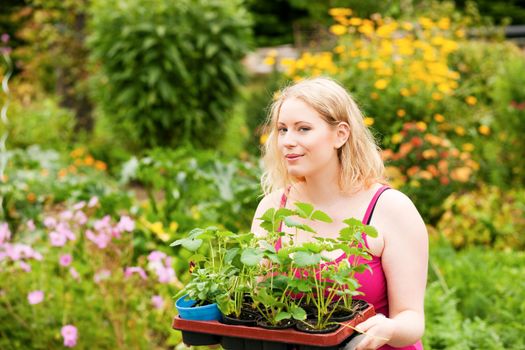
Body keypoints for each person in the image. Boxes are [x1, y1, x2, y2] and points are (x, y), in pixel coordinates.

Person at [250, 77, 428, 350]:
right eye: (282, 129)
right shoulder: (274, 209)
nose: (287, 141)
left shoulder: (390, 209)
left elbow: (412, 319)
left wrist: (388, 328)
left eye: (303, 129)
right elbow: (256, 303)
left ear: (340, 134)